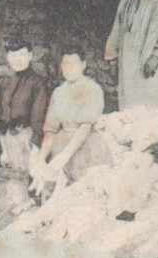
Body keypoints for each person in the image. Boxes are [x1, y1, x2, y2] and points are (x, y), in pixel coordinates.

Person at [30, 48, 107, 196]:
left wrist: (64, 157)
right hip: (61, 145)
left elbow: (85, 126)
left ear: (83, 65)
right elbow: (50, 130)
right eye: (66, 63)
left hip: (86, 146)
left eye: (74, 63)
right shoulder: (58, 92)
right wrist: (41, 160)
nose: (70, 68)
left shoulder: (93, 89)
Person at [0, 39, 50, 174]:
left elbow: (39, 121)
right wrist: (4, 151)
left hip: (29, 141)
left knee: (31, 180)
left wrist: (34, 155)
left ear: (30, 56)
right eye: (13, 55)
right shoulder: (5, 84)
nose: (17, 60)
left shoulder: (39, 83)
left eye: (21, 54)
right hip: (9, 141)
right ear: (7, 58)